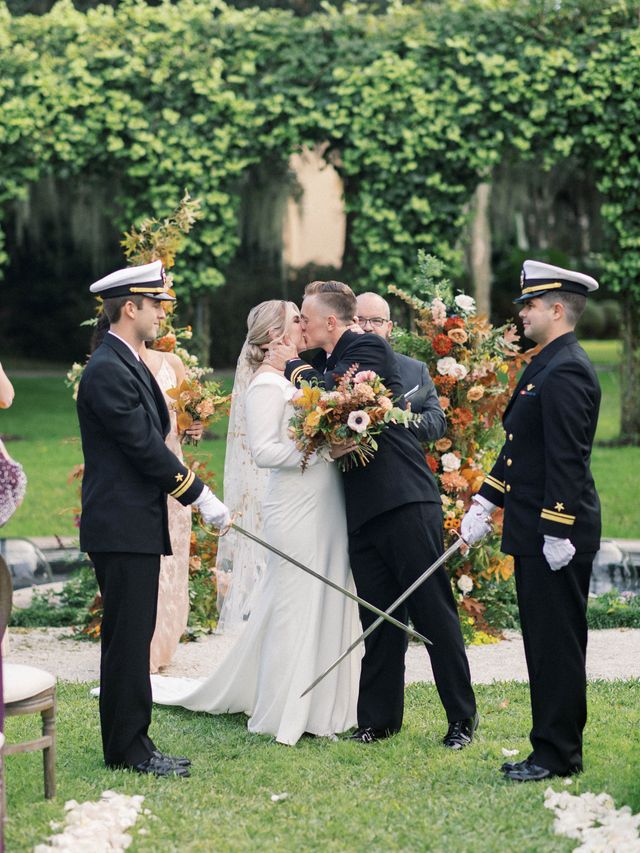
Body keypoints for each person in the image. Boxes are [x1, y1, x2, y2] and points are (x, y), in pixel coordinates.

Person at [269, 282, 478, 747]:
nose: (300, 324)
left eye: (305, 317)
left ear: (329, 321)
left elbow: (332, 398)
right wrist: (297, 358)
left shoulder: (366, 347)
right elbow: (318, 390)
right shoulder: (326, 357)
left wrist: (290, 365)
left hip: (404, 499)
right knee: (379, 618)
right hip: (361, 511)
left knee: (432, 612)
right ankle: (379, 721)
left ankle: (462, 718)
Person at [152, 300, 361, 745]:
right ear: (276, 337)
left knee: (326, 594)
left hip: (325, 501)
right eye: (297, 320)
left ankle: (324, 707)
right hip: (295, 505)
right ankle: (282, 708)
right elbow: (265, 453)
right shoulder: (266, 386)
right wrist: (323, 448)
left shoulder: (298, 377)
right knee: (293, 604)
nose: (305, 325)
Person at [77, 260, 230, 777]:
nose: (163, 314)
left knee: (133, 634)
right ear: (130, 308)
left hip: (132, 522)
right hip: (122, 526)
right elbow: (143, 447)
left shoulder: (127, 360)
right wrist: (199, 495)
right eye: (157, 305)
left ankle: (134, 741)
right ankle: (128, 749)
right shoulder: (107, 369)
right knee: (127, 639)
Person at [461, 260, 601, 782]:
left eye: (530, 304)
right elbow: (522, 449)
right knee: (543, 646)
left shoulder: (567, 368)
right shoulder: (546, 362)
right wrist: (485, 503)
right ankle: (547, 746)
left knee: (557, 648)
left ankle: (558, 754)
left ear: (558, 310)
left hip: (554, 537)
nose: (521, 313)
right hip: (535, 533)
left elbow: (567, 458)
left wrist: (558, 529)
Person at [140, 345, 203, 672]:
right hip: (138, 477)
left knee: (173, 561)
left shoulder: (173, 362)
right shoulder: (120, 365)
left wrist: (195, 425)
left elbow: (185, 419)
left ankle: (163, 644)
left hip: (175, 476)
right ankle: (142, 647)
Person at [355, 292, 446, 443]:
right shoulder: (336, 368)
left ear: (389, 327)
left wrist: (404, 418)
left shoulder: (416, 370)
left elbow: (438, 422)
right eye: (361, 320)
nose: (368, 327)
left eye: (377, 321)